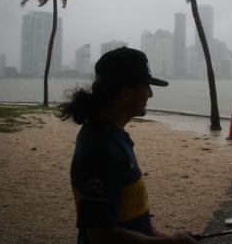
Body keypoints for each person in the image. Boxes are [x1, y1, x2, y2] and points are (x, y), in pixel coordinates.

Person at [57, 47, 198, 244]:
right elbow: (101, 236)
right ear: (125, 94)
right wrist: (170, 243)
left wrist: (166, 237)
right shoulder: (100, 152)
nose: (150, 93)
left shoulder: (112, 135)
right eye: (146, 86)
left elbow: (133, 218)